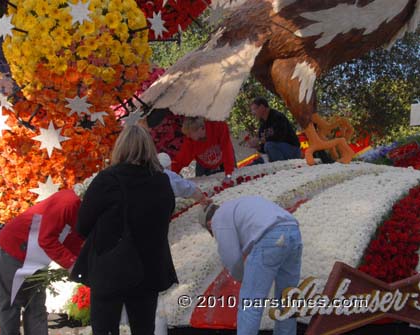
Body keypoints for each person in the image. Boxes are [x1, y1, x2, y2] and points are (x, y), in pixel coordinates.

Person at [76, 125, 177, 335]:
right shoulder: (161, 181)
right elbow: (166, 216)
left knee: (105, 329)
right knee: (144, 329)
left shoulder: (107, 180)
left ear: (120, 148)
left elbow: (82, 225)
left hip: (111, 267)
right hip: (149, 267)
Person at [199, 196, 302, 335]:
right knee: (287, 298)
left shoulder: (218, 218)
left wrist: (243, 278)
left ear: (210, 224)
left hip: (270, 238)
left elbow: (231, 257)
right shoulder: (236, 206)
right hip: (293, 231)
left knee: (251, 303)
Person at [0, 189, 85, 335]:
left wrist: (83, 262)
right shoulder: (69, 201)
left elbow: (72, 237)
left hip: (37, 255)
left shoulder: (80, 205)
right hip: (16, 246)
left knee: (36, 305)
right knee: (11, 304)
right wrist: (73, 264)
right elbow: (47, 238)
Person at [172, 117, 235, 183]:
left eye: (190, 134)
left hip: (225, 160)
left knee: (234, 176)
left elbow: (227, 150)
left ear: (201, 129)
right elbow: (179, 162)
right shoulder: (189, 141)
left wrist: (228, 175)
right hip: (203, 165)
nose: (188, 136)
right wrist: (170, 177)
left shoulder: (219, 125)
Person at [250, 97, 301, 162]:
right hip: (278, 151)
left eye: (254, 109)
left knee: (269, 145)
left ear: (262, 107)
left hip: (292, 151)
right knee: (257, 162)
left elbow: (280, 136)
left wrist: (264, 140)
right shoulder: (262, 125)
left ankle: (282, 166)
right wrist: (257, 146)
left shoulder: (277, 117)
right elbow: (264, 148)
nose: (253, 113)